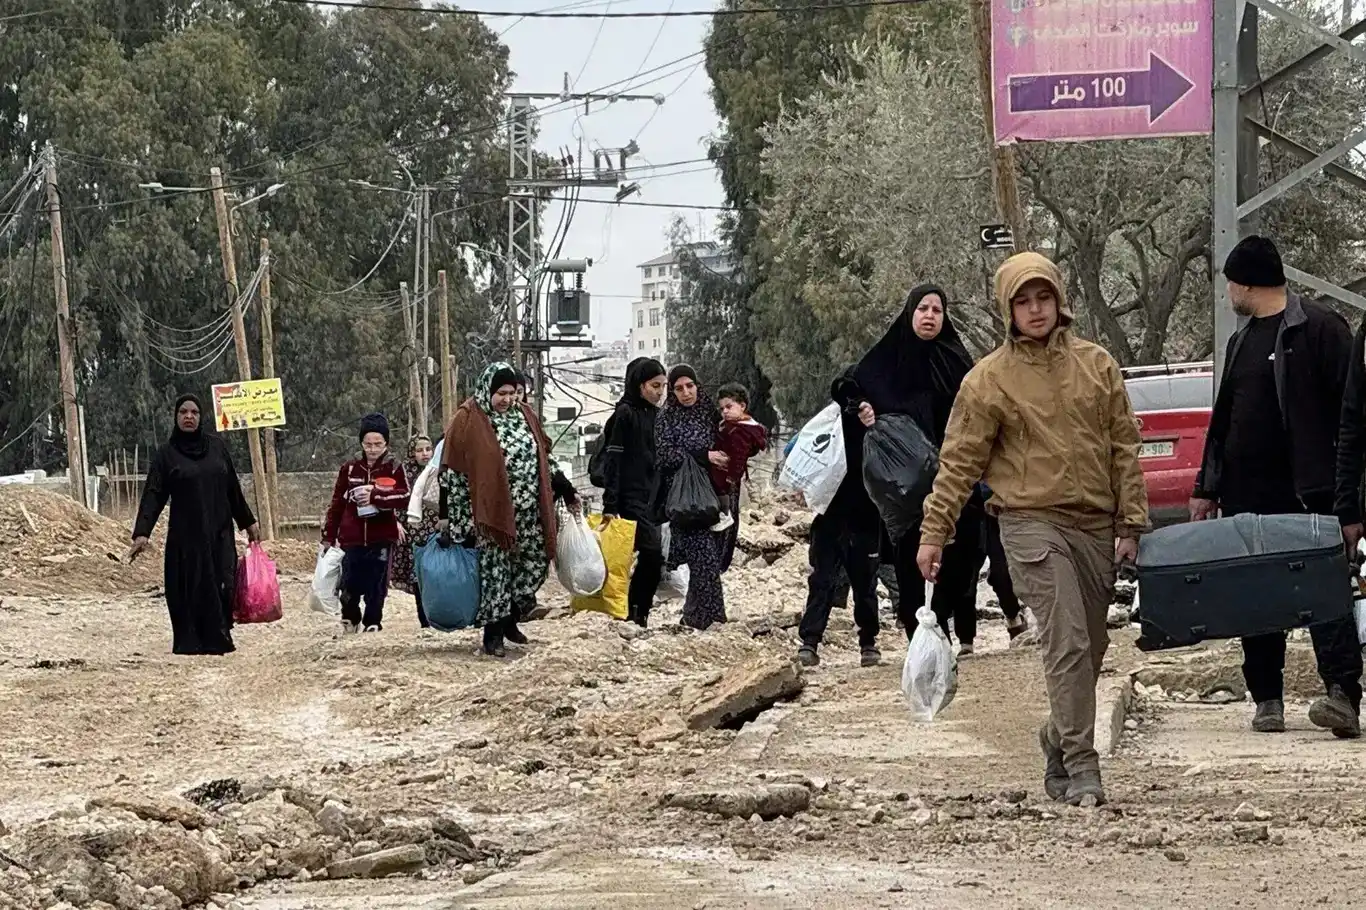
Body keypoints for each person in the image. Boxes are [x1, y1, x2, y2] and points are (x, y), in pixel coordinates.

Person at [915, 252, 1148, 807]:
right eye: (1023, 301)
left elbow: (1124, 448)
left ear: (1059, 300)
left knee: (1090, 648)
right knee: (1064, 639)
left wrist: (1132, 521)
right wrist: (934, 529)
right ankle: (1083, 763)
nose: (1035, 309)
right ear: (1008, 309)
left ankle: (1056, 737)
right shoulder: (989, 380)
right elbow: (959, 462)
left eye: (1043, 298)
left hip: (1094, 523)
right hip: (1029, 522)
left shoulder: (1098, 365)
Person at [1195, 235, 1361, 738]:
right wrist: (1208, 485)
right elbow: (1224, 418)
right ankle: (1267, 698)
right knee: (1256, 597)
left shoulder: (1322, 330)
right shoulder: (1242, 339)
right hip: (1248, 497)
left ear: (1245, 282)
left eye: (1229, 283)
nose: (1228, 293)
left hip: (1308, 494)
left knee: (1324, 595)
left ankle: (1342, 697)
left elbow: (1353, 415)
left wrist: (1347, 493)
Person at [841, 284, 982, 654]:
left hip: (953, 479)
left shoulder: (954, 360)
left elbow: (981, 404)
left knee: (962, 552)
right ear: (910, 313)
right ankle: (921, 634)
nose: (930, 316)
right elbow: (845, 385)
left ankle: (942, 617)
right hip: (905, 489)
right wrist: (860, 405)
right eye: (923, 309)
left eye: (937, 310)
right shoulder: (886, 358)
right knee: (910, 560)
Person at [440, 363, 579, 656]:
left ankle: (510, 617)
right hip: (491, 515)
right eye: (500, 393)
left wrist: (564, 487)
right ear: (487, 390)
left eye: (512, 393)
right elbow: (454, 474)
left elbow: (544, 456)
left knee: (533, 564)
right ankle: (493, 634)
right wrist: (456, 520)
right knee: (496, 573)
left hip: (530, 512)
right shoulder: (468, 419)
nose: (507, 399)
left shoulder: (525, 415)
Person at [129, 394, 260, 655]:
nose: (189, 416)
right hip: (186, 537)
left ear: (202, 418)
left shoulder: (217, 448)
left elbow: (232, 488)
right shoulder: (167, 455)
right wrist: (142, 533)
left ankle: (218, 637)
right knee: (188, 587)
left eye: (194, 412)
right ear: (176, 418)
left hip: (220, 531)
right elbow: (153, 494)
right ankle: (190, 641)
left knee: (223, 582)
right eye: (183, 412)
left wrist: (248, 521)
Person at [795, 366, 884, 669]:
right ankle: (809, 642)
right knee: (822, 580)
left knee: (865, 582)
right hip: (830, 514)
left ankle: (868, 642)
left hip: (866, 515)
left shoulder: (880, 423)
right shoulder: (832, 421)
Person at [322, 413, 411, 634]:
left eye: (378, 444)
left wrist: (375, 496)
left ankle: (373, 621)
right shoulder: (350, 468)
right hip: (351, 536)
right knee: (349, 582)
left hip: (381, 535)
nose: (372, 449)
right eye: (367, 444)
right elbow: (336, 504)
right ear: (361, 443)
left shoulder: (394, 467)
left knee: (377, 583)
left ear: (386, 444)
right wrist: (328, 535)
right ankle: (350, 618)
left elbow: (405, 497)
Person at [656, 365, 730, 630]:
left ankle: (693, 616)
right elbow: (665, 457)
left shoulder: (710, 412)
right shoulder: (667, 418)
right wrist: (702, 456)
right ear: (672, 392)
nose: (686, 393)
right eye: (678, 388)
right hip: (688, 502)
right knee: (704, 562)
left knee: (713, 560)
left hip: (717, 496)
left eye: (690, 386)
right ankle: (714, 620)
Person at [600, 357, 669, 627]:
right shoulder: (624, 415)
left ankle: (639, 613)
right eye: (655, 386)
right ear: (640, 386)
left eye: (663, 386)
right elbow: (613, 463)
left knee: (651, 558)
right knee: (651, 554)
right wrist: (610, 504)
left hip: (651, 498)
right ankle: (632, 611)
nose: (660, 392)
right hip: (629, 499)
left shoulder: (657, 416)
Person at [392, 434, 438, 628]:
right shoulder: (403, 473)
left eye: (428, 449)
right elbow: (393, 499)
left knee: (436, 574)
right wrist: (395, 521)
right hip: (413, 533)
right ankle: (424, 621)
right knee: (418, 577)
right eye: (419, 450)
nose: (425, 454)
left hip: (435, 531)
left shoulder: (438, 470)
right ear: (412, 453)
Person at [710, 382, 768, 535]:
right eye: (722, 409)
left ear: (742, 406)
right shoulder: (736, 425)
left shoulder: (740, 431)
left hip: (727, 471)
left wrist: (732, 477)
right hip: (727, 468)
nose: (725, 412)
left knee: (719, 488)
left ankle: (724, 515)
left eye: (729, 407)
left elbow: (739, 456)